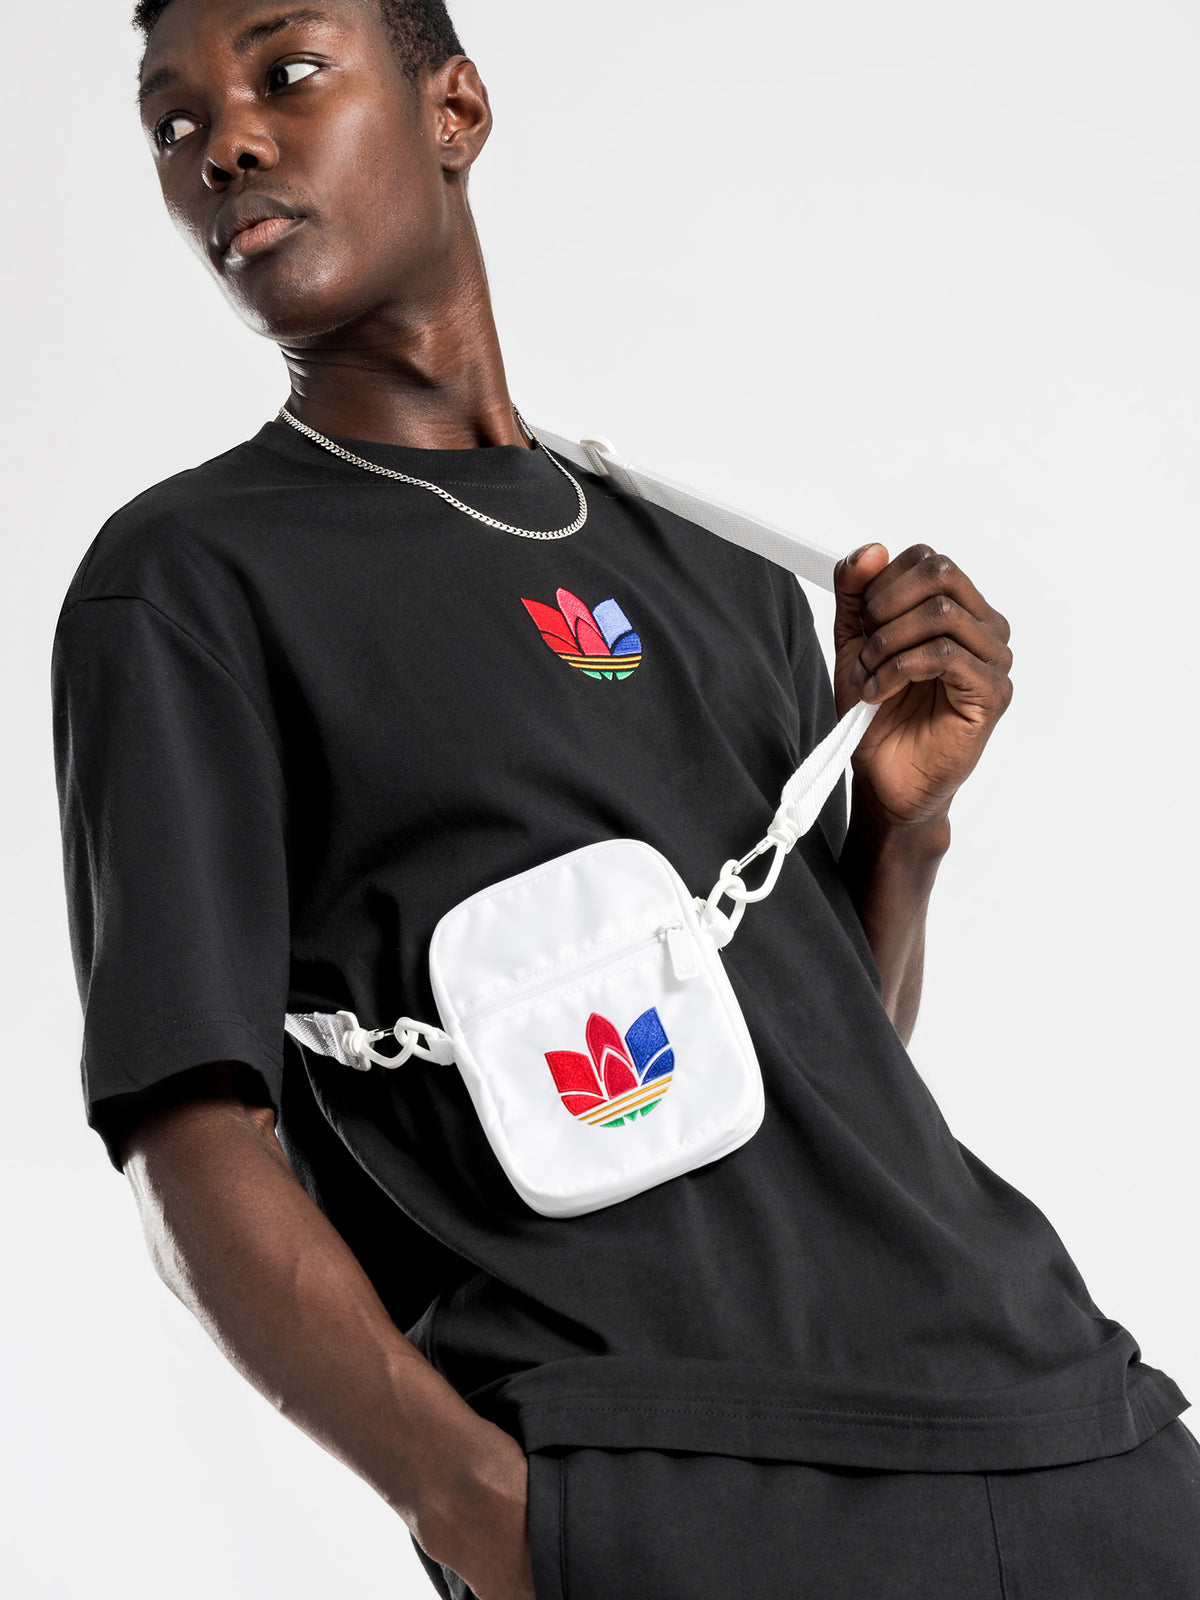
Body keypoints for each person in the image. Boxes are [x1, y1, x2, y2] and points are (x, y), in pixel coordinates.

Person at [50, 2, 1199, 1597]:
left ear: (455, 109)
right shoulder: (192, 583)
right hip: (671, 1490)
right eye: (173, 125)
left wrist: (903, 828)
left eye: (286, 73)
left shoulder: (720, 570)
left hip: (1070, 1437)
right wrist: (487, 1517)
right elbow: (191, 1135)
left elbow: (807, 1074)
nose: (224, 143)